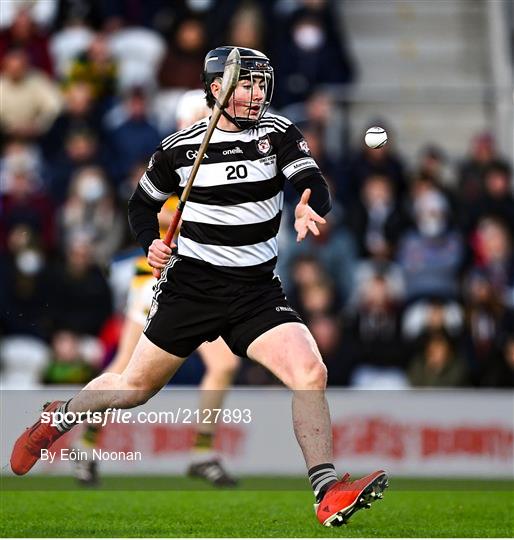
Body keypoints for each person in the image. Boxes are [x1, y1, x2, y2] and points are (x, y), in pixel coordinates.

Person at [11, 46, 387, 527]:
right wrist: (150, 244)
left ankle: (326, 491)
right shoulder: (176, 151)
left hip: (256, 290)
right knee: (132, 388)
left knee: (310, 372)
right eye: (247, 84)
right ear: (218, 89)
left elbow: (309, 177)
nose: (257, 94)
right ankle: (59, 416)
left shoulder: (277, 133)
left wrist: (309, 202)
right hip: (192, 287)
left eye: (260, 84)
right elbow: (139, 208)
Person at [75, 197, 240, 487]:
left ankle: (202, 452)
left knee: (224, 364)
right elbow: (153, 212)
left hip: (198, 273)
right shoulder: (173, 169)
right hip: (157, 269)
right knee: (124, 366)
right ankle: (85, 445)